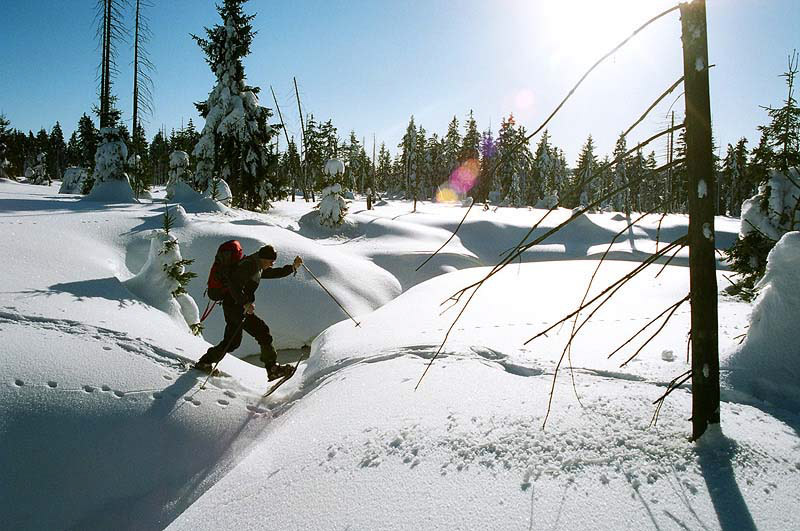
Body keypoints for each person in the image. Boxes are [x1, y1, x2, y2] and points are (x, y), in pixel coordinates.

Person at [195, 244, 303, 381]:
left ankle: (205, 362)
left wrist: (293, 267)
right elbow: (234, 284)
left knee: (232, 342)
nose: (272, 264)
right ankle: (272, 369)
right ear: (263, 259)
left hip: (232, 306)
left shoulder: (256, 266)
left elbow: (273, 273)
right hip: (237, 307)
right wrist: (245, 302)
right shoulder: (249, 266)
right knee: (262, 332)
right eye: (271, 261)